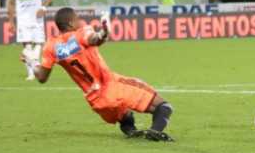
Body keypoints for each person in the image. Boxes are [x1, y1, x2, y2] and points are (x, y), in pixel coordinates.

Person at [26, 7, 174, 141]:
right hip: (111, 86)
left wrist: (32, 62)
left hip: (96, 101)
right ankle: (154, 133)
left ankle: (130, 131)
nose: (81, 21)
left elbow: (42, 77)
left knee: (125, 115)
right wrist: (104, 32)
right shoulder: (81, 33)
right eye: (78, 19)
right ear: (71, 23)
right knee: (164, 107)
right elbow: (95, 39)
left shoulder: (51, 46)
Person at [7, 0, 52, 80]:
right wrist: (11, 22)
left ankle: (31, 63)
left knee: (38, 44)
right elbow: (10, 4)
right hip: (23, 21)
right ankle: (32, 72)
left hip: (37, 19)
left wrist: (43, 7)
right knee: (27, 47)